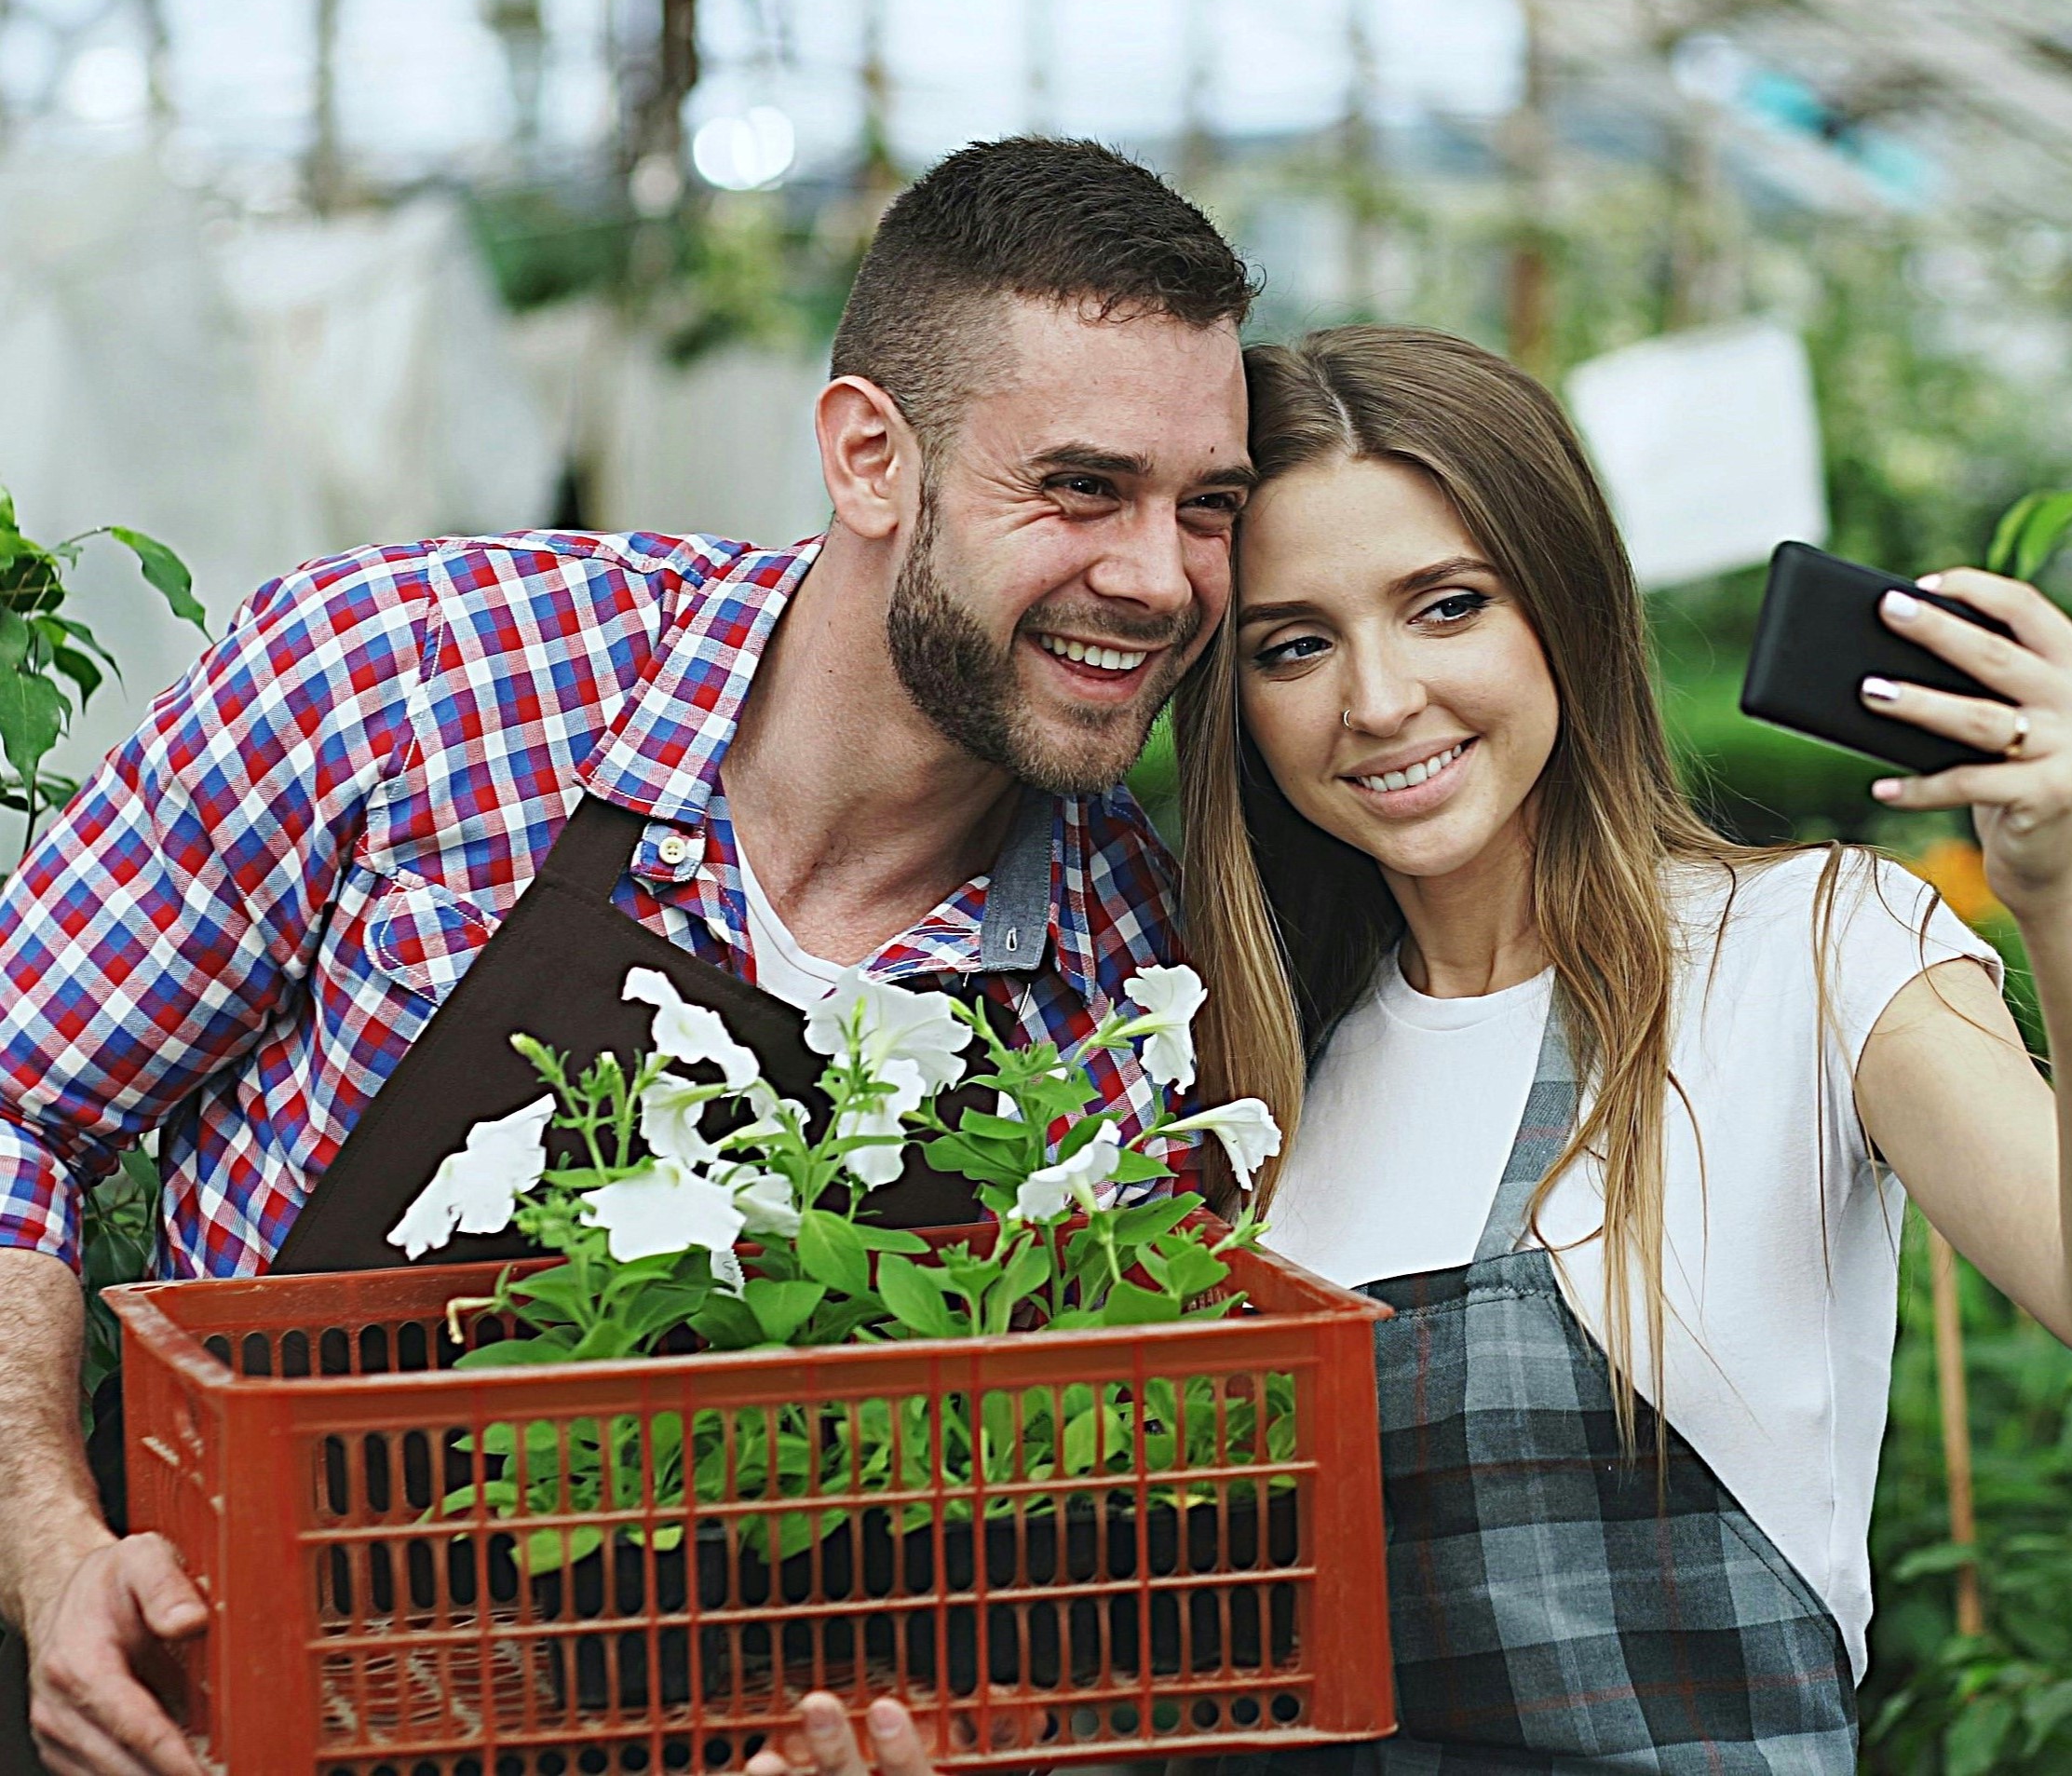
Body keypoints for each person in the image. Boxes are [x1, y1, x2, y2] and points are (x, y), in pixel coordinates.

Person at [0, 135, 1258, 1776]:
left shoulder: (1125, 977)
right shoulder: (409, 683)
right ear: (870, 457)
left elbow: (1065, 1550)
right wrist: (53, 1557)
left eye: (1208, 508)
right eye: (1082, 487)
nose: (1159, 579)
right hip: (210, 1716)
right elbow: (16, 1101)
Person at [1170, 324, 2072, 1771]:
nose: (1381, 698)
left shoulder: (1812, 949)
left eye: (1446, 606)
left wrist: (2058, 896)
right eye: (1294, 644)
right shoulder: (1240, 1093)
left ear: (1566, 607)